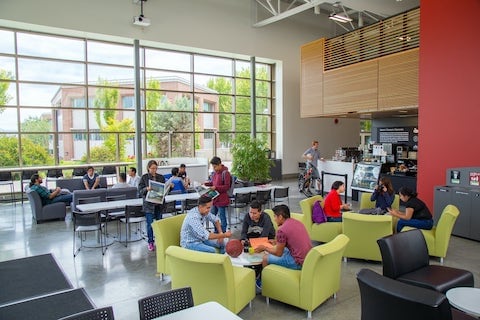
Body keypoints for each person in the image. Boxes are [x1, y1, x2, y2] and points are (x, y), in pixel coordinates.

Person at [254, 204, 312, 271]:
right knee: (273, 248)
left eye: (275, 216)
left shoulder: (282, 230)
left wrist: (264, 248)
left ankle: (264, 280)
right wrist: (276, 242)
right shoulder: (297, 222)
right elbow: (292, 240)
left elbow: (278, 253)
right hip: (307, 258)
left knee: (265, 258)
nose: (274, 219)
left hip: (298, 262)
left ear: (280, 217)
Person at [138, 160, 166, 251]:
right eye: (152, 168)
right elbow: (140, 191)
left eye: (155, 168)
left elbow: (164, 190)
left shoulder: (161, 177)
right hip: (149, 205)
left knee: (159, 224)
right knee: (150, 225)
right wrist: (146, 189)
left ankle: (160, 241)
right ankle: (150, 242)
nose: (154, 170)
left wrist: (170, 188)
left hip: (159, 204)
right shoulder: (144, 178)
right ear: (148, 168)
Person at [204, 156, 232, 232]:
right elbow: (212, 183)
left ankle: (223, 231)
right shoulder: (215, 173)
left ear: (220, 164)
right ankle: (217, 230)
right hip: (215, 199)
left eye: (215, 167)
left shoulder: (225, 173)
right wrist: (205, 184)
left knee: (222, 216)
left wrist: (216, 187)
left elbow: (226, 187)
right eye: (213, 167)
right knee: (212, 215)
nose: (214, 169)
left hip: (222, 199)